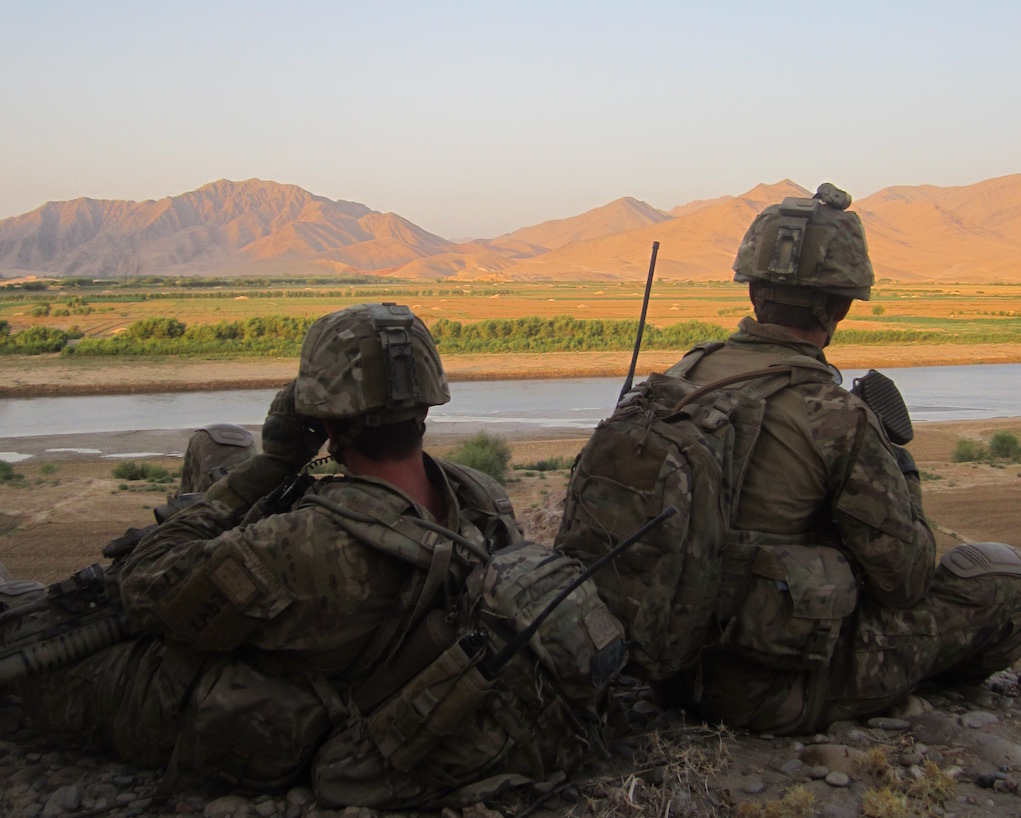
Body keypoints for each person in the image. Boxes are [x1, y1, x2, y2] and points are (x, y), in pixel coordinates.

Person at [1, 303, 625, 808]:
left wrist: (269, 467)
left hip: (246, 691)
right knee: (219, 446)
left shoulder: (305, 550)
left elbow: (143, 584)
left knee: (32, 630)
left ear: (323, 416)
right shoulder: (478, 497)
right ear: (428, 403)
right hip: (362, 637)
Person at [651, 184, 1021, 734]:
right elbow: (906, 579)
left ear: (752, 290)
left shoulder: (680, 376)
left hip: (664, 669)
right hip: (769, 692)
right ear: (840, 306)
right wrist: (898, 461)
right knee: (1005, 581)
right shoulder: (833, 414)